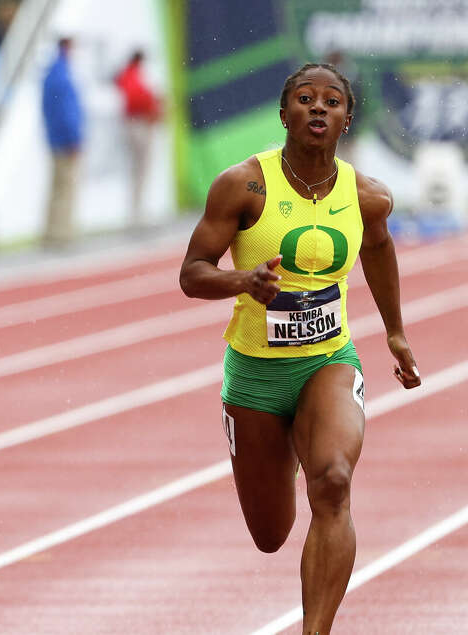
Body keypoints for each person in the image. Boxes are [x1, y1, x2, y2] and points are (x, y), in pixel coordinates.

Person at [179, 63, 421, 634]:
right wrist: (245, 282)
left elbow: (379, 251)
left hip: (328, 361)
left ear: (346, 118)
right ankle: (284, 442)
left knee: (334, 481)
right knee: (270, 535)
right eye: (305, 99)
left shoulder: (367, 196)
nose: (318, 108)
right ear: (284, 113)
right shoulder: (243, 185)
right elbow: (192, 273)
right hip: (256, 373)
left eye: (332, 101)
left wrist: (394, 330)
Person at [41, 36, 84, 247]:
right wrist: (73, 137)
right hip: (64, 139)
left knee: (56, 187)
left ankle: (52, 231)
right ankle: (62, 234)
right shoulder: (62, 74)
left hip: (55, 137)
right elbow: (67, 110)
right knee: (65, 186)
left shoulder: (51, 72)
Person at [115, 50, 161, 227]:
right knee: (140, 170)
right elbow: (137, 99)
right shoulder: (132, 75)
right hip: (138, 124)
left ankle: (138, 212)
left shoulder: (129, 75)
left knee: (139, 170)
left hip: (136, 124)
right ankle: (137, 214)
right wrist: (153, 104)